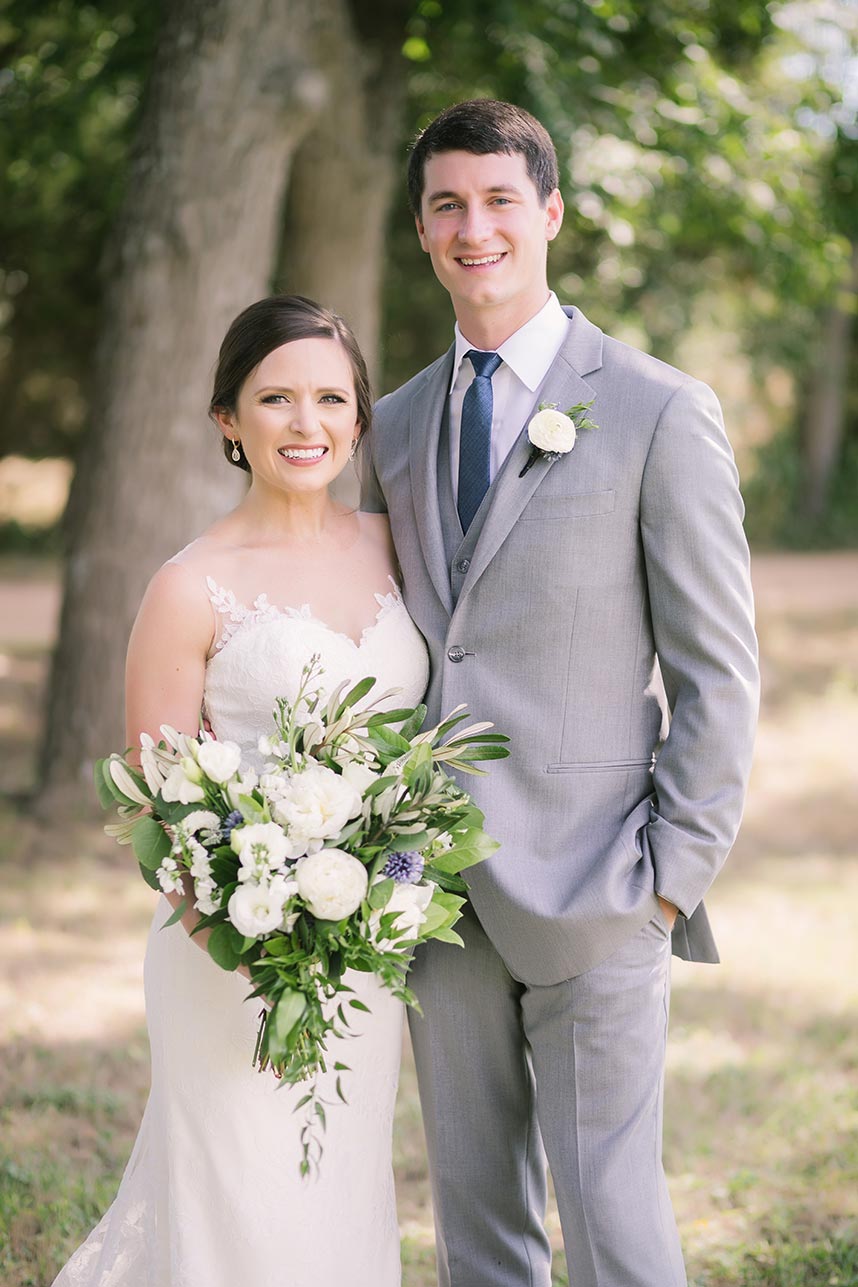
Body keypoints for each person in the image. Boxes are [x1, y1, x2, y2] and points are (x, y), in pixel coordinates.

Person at [361, 99, 760, 1287]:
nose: (472, 227)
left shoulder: (655, 408)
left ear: (549, 213)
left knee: (614, 1226)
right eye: (446, 205)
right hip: (436, 894)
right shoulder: (387, 426)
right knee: (478, 1227)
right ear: (423, 231)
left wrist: (670, 881)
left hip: (602, 883)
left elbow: (717, 670)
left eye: (496, 200)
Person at [53, 294, 429, 1287]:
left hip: (369, 945)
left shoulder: (401, 548)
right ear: (229, 418)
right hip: (231, 949)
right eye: (276, 399)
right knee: (241, 1208)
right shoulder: (191, 584)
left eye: (331, 399)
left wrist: (371, 904)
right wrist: (254, 940)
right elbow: (154, 799)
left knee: (338, 1197)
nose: (307, 426)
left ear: (358, 417)